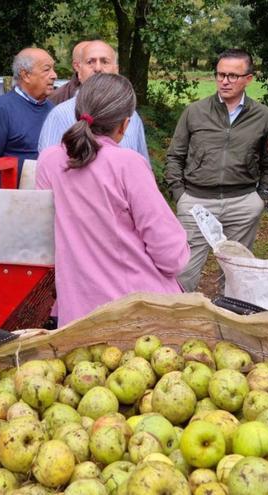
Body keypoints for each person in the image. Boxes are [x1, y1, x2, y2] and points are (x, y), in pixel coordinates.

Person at [36, 73, 189, 326]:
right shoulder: (128, 163)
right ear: (124, 125)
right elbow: (170, 254)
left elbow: (45, 235)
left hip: (77, 311)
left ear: (78, 112)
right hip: (137, 309)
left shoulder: (49, 161)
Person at [165, 49, 268, 292]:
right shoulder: (195, 112)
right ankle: (179, 313)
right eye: (220, 74)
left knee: (237, 273)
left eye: (233, 76)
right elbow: (175, 156)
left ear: (248, 79)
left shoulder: (263, 115)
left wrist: (261, 198)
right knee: (183, 272)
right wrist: (180, 195)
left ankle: (229, 312)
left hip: (242, 203)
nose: (225, 81)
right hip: (196, 202)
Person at [38, 40, 148, 161]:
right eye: (90, 62)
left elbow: (142, 165)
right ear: (79, 71)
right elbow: (47, 166)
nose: (98, 68)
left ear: (116, 70)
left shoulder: (131, 116)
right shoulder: (59, 115)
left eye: (105, 61)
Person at [0, 47, 57, 187]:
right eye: (46, 70)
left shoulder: (53, 110)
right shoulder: (0, 109)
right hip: (12, 196)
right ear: (26, 75)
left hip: (47, 192)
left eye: (53, 69)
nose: (54, 75)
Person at [48, 40, 89, 105]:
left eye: (103, 61)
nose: (98, 67)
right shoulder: (57, 98)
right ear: (76, 66)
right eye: (90, 62)